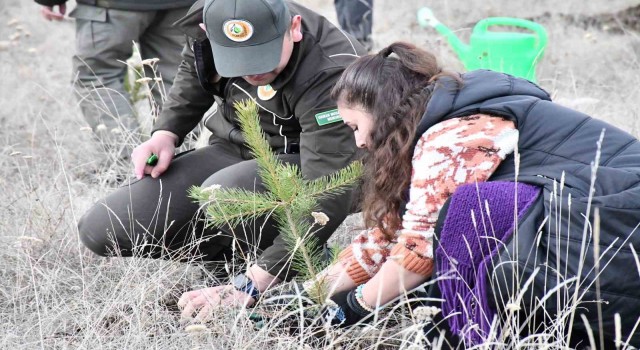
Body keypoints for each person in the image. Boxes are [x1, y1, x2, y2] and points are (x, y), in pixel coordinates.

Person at [293, 42, 640, 347]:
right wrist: (308, 295)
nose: (359, 142)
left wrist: (355, 307)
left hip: (618, 229)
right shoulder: (438, 117)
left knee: (468, 213)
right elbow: (389, 236)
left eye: (356, 126)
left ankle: (470, 335)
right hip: (597, 226)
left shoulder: (453, 134)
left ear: (383, 109)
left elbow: (418, 249)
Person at [77, 0, 367, 321]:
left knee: (222, 194)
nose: (254, 70)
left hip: (313, 164)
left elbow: (328, 191)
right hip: (235, 149)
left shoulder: (332, 71)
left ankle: (297, 263)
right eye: (238, 60)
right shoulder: (212, 18)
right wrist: (166, 132)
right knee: (103, 228)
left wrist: (253, 284)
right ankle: (233, 259)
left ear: (294, 28)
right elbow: (193, 71)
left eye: (264, 56)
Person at [35, 0, 194, 143]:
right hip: (180, 6)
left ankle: (129, 161)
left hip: (111, 7)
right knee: (178, 76)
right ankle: (185, 158)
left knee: (97, 77)